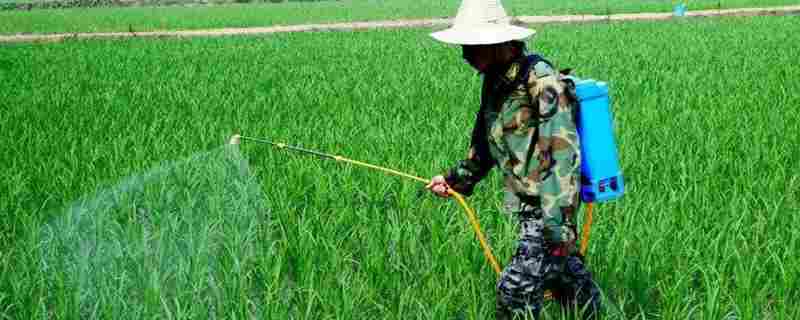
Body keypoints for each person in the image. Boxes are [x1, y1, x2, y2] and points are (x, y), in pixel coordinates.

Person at [425, 0, 602, 319]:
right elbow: (484, 142)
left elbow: (561, 154)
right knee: (566, 281)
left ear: (499, 43)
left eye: (472, 46)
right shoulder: (494, 83)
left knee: (515, 290)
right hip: (529, 205)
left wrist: (558, 225)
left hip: (548, 207)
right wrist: (454, 180)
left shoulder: (541, 79)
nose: (465, 54)